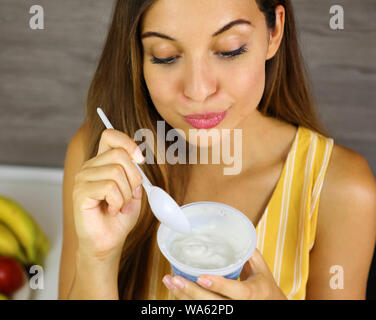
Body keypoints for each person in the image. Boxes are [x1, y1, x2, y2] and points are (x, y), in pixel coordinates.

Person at [58, 0, 376, 300]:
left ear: (274, 33)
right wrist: (97, 258)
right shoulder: (102, 162)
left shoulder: (341, 190)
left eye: (229, 50)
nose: (198, 90)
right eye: (165, 55)